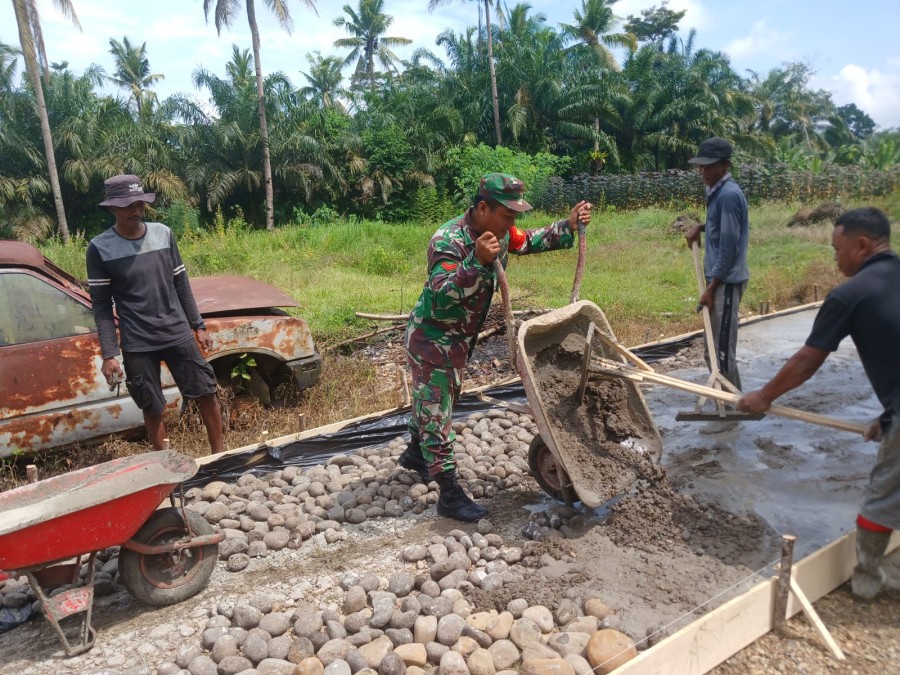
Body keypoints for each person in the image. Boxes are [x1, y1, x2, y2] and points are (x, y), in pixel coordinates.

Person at [401, 172, 593, 522]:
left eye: (515, 216)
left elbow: (528, 240)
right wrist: (475, 260)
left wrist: (566, 225)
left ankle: (416, 452)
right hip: (433, 339)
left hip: (459, 338)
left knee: (440, 398)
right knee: (438, 409)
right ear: (483, 208)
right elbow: (442, 294)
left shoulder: (501, 233)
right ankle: (448, 493)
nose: (512, 223)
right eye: (507, 215)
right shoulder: (447, 241)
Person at [738, 207, 900, 600]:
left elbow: (807, 360)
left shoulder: (850, 294)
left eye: (837, 249)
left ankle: (867, 582)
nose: (834, 257)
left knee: (881, 499)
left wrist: (762, 396)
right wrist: (888, 415)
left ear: (861, 246)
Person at [86, 174, 225, 454]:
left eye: (140, 203)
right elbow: (101, 306)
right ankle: (166, 467)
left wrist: (197, 325)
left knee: (206, 392)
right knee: (151, 406)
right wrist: (109, 354)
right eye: (127, 205)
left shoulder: (163, 234)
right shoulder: (99, 249)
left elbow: (181, 285)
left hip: (176, 331)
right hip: (138, 342)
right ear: (112, 208)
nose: (135, 210)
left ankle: (221, 455)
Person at [684, 137, 750, 433]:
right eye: (700, 167)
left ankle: (730, 413)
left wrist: (712, 289)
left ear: (725, 165)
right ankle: (731, 404)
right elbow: (723, 229)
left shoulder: (728, 195)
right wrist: (701, 227)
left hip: (726, 281)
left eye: (709, 167)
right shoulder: (717, 193)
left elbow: (729, 248)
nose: (703, 172)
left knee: (721, 350)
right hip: (719, 280)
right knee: (714, 348)